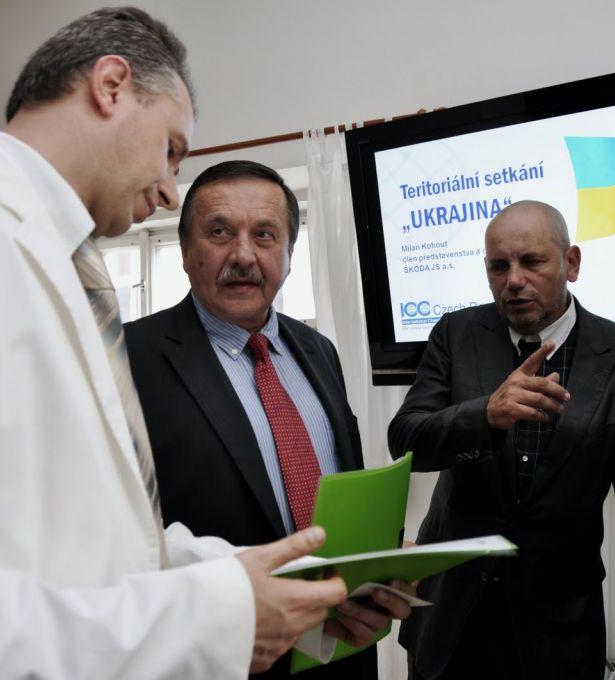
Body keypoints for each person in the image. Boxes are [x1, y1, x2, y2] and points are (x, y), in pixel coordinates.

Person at [0, 8, 351, 678]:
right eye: (171, 149)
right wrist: (210, 618)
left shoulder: (72, 275)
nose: (169, 190)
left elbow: (102, 538)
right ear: (111, 86)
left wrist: (274, 583)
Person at [125, 159, 415, 679]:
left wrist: (380, 561)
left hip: (341, 644)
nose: (243, 255)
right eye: (219, 232)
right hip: (222, 657)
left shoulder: (318, 350)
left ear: (289, 255)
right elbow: (118, 535)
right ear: (186, 251)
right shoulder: (126, 356)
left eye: (264, 235)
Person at [388, 200, 615, 680]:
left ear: (571, 263)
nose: (513, 280)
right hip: (451, 623)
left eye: (531, 262)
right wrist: (485, 416)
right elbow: (407, 439)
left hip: (559, 631)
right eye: (499, 266)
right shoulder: (457, 333)